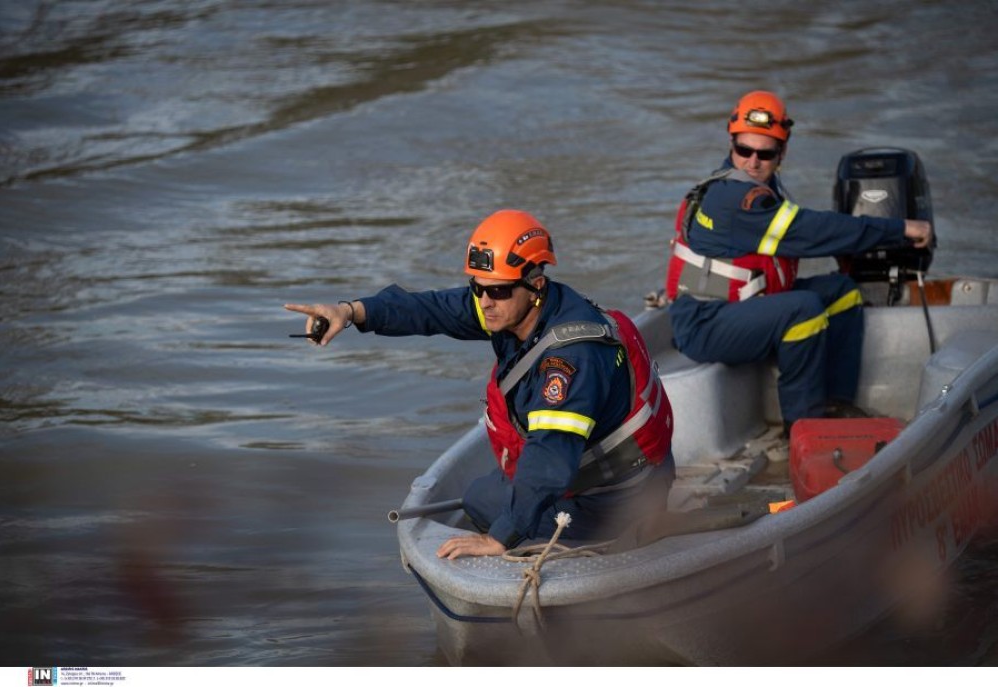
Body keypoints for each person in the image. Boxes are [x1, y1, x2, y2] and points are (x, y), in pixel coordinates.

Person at [286, 209, 674, 559]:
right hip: (621, 476)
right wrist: (350, 311)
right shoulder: (520, 307)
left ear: (536, 283)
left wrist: (501, 537)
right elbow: (432, 309)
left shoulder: (570, 359)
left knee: (480, 498)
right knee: (494, 488)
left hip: (619, 500)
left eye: (497, 290)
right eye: (478, 287)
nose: (485, 301)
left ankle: (609, 537)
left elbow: (549, 461)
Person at [664, 90, 933, 434]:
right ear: (731, 145)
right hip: (704, 324)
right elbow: (810, 231)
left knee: (841, 291)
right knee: (803, 308)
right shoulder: (734, 198)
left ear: (782, 152)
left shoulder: (759, 186)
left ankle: (836, 404)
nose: (753, 161)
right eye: (743, 150)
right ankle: (805, 429)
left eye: (766, 153)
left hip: (740, 307)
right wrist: (900, 229)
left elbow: (808, 232)